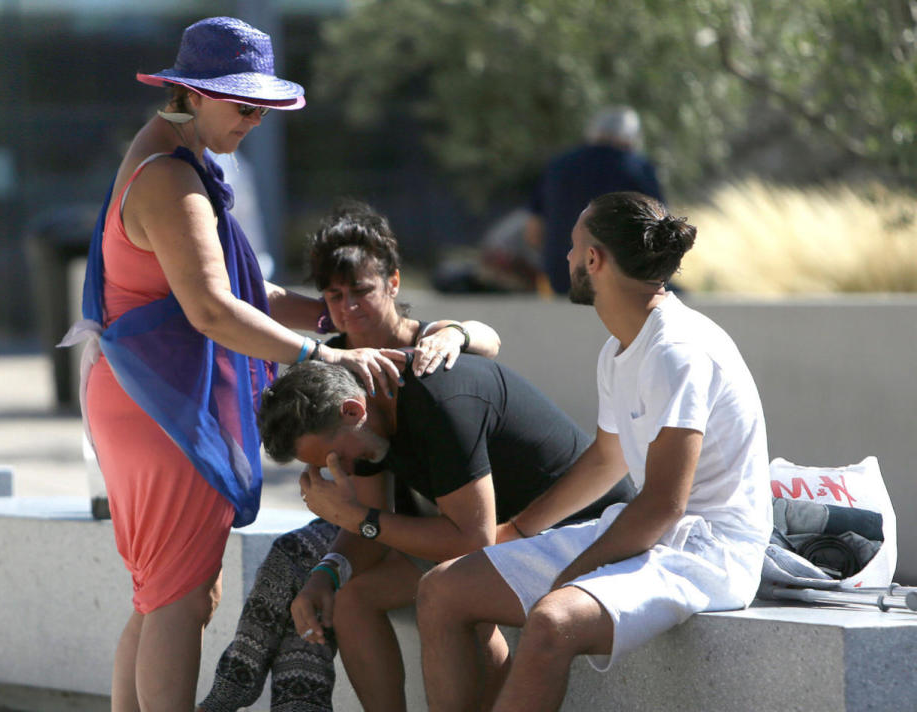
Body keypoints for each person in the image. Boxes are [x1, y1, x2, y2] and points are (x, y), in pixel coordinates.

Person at [60, 18, 405, 712]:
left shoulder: (178, 158)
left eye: (264, 109)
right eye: (244, 106)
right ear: (194, 93)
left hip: (147, 397)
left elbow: (250, 294)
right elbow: (214, 312)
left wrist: (332, 318)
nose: (255, 122)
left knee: (161, 593)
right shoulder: (171, 179)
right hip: (162, 408)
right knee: (180, 600)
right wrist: (318, 352)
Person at [417, 192, 773, 712]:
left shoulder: (678, 350)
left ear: (593, 260)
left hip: (709, 553)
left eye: (571, 246)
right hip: (650, 533)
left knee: (552, 620)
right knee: (441, 591)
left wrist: (571, 574)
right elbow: (607, 459)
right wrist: (517, 532)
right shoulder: (619, 348)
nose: (563, 259)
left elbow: (663, 505)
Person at [198, 200, 505, 712]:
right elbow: (365, 491)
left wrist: (459, 332)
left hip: (442, 517)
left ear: (394, 284)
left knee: (319, 568)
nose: (349, 308)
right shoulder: (333, 359)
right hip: (378, 514)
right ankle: (264, 684)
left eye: (361, 290)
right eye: (334, 296)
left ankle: (252, 687)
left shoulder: (427, 348)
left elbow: (489, 340)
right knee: (301, 563)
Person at [253, 355, 635, 712]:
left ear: (353, 410)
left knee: (449, 591)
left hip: (586, 530)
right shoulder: (365, 424)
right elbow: (375, 524)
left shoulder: (440, 404)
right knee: (352, 599)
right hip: (509, 536)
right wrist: (327, 572)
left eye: (335, 459)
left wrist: (356, 517)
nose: (339, 470)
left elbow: (472, 542)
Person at [527, 106, 665, 294]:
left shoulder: (558, 166)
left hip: (562, 276)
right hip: (620, 278)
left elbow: (533, 231)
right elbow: (661, 231)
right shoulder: (637, 168)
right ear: (630, 136)